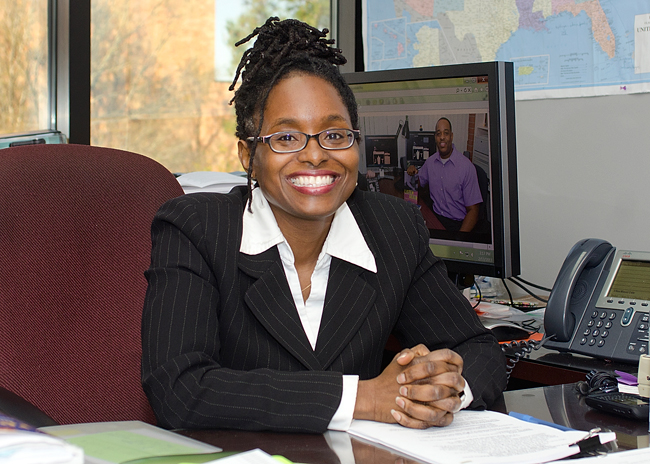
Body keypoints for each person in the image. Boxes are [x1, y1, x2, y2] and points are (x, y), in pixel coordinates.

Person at [141, 17, 506, 433]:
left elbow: (477, 348)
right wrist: (366, 397)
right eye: (286, 138)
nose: (315, 155)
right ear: (248, 156)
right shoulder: (196, 229)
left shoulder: (393, 228)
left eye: (334, 136)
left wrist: (444, 388)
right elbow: (180, 389)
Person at [406, 118, 483, 232]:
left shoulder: (467, 167)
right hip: (435, 218)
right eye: (438, 134)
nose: (442, 137)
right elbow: (417, 183)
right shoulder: (430, 162)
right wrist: (412, 173)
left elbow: (474, 211)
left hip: (457, 225)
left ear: (451, 136)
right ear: (435, 138)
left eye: (446, 133)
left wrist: (459, 239)